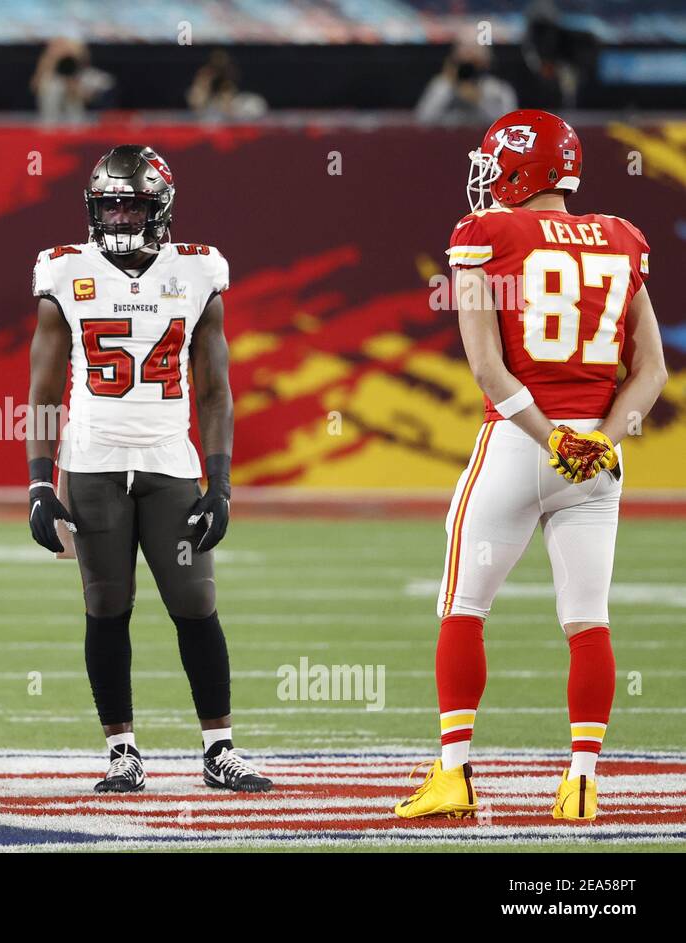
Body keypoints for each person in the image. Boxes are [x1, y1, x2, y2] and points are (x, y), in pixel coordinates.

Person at [396, 110, 667, 822]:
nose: (486, 177)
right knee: (588, 618)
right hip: (597, 458)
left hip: (521, 444)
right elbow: (653, 370)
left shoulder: (482, 234)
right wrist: (604, 437)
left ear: (521, 169)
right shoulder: (621, 238)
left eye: (494, 164)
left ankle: (454, 772)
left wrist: (550, 439)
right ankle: (581, 782)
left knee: (462, 606)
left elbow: (487, 366)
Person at [25, 145, 271, 794]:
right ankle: (121, 750)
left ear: (160, 205)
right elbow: (44, 387)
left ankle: (219, 747)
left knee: (195, 602)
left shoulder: (195, 271)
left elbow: (214, 387)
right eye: (109, 205)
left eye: (131, 203)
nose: (119, 216)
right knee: (106, 606)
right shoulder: (63, 270)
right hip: (92, 462)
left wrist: (220, 482)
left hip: (169, 461)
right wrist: (36, 482)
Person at [415, 39, 517, 126]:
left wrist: (479, 101)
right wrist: (451, 89)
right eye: (464, 52)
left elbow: (508, 126)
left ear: (486, 60)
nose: (469, 56)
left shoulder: (499, 89)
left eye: (475, 53)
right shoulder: (442, 85)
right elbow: (423, 119)